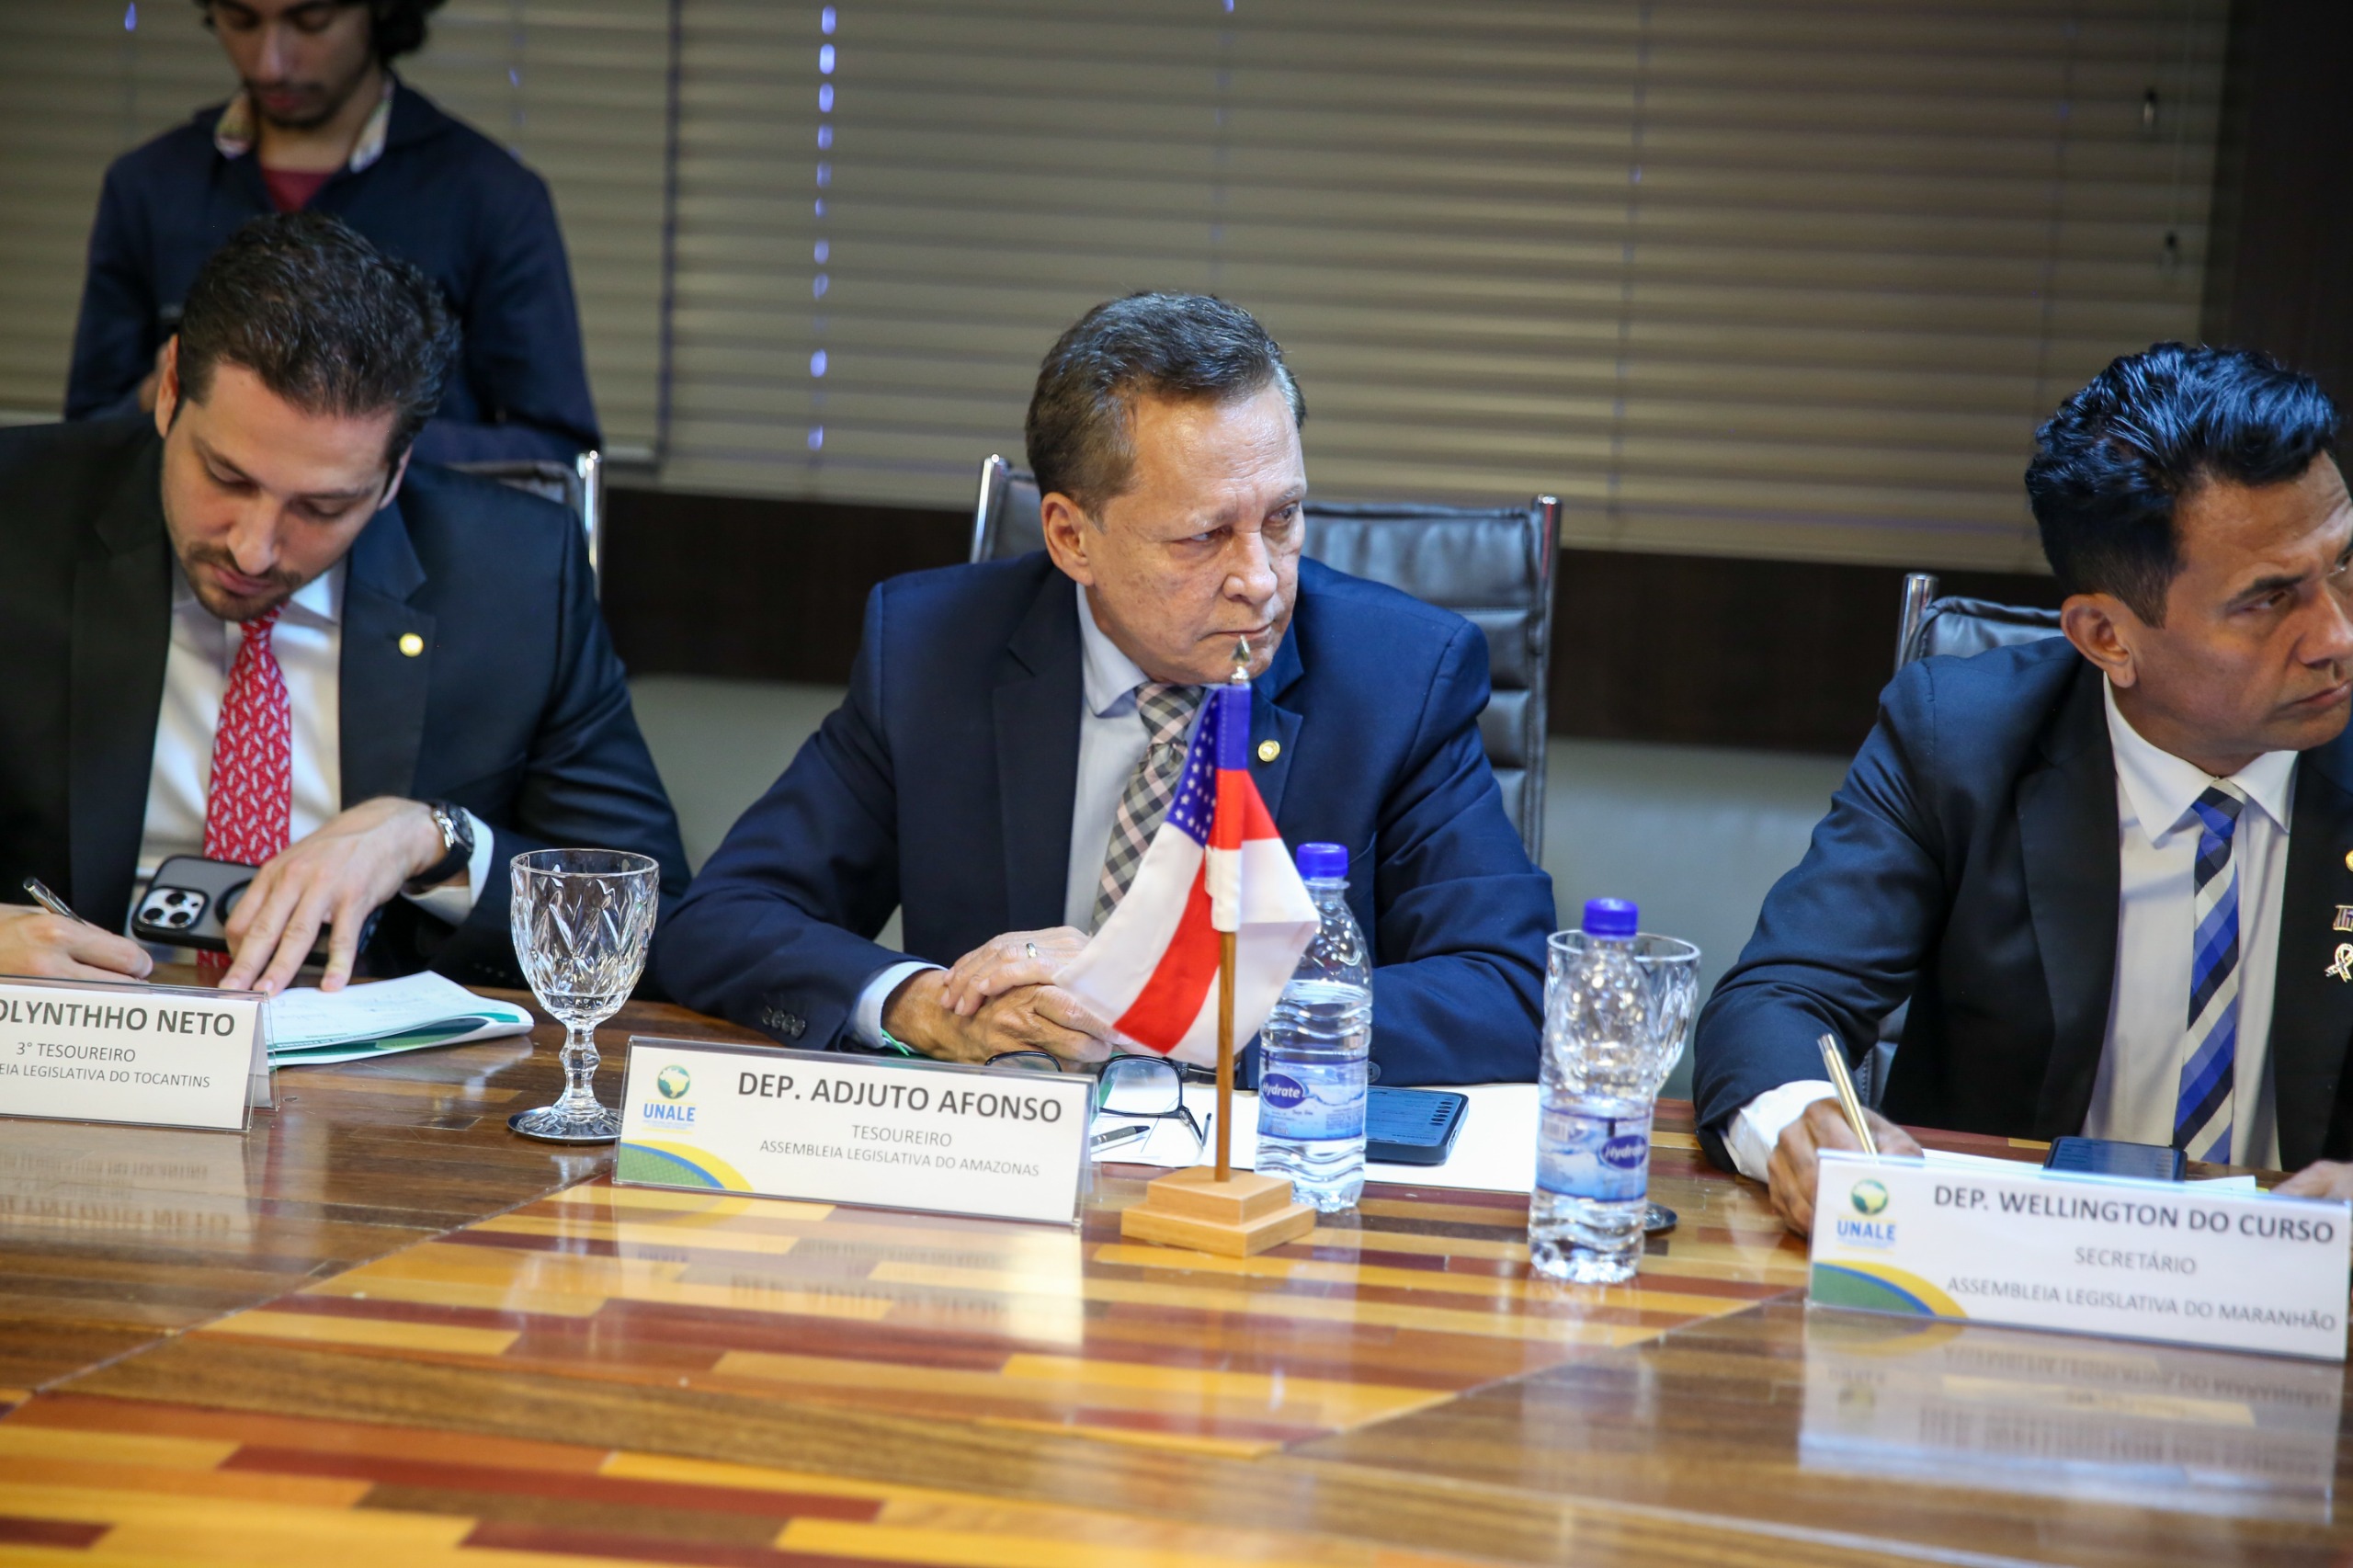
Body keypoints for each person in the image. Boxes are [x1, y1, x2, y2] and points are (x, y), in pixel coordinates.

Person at [655, 292, 1552, 1085]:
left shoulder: (1399, 676)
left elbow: (1508, 987)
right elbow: (723, 920)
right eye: (1204, 536)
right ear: (1070, 536)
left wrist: (1175, 1004)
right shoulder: (932, 653)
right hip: (992, 1191)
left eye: (1281, 518)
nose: (1262, 579)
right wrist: (924, 1004)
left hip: (1270, 1187)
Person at [1693, 343, 2353, 1232]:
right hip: (1995, 1282)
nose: (2336, 635)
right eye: (2270, 600)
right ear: (2107, 637)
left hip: (2308, 1290)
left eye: (2344, 563)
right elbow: (1782, 999)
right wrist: (1803, 1128)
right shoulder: (1960, 743)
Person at [0, 210, 685, 994]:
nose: (254, 548)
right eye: (225, 478)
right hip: (68, 1048)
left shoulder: (519, 577)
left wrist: (439, 841)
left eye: (321, 509)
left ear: (394, 476)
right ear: (169, 392)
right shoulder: (18, 516)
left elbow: (660, 916)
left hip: (377, 1079)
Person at [65, 0, 598, 465]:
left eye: (312, 20)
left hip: (413, 562)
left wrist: (361, 444)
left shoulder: (490, 195)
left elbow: (554, 451)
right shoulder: (149, 185)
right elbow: (80, 441)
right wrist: (151, 397)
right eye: (240, 19)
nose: (270, 63)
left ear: (380, 10)